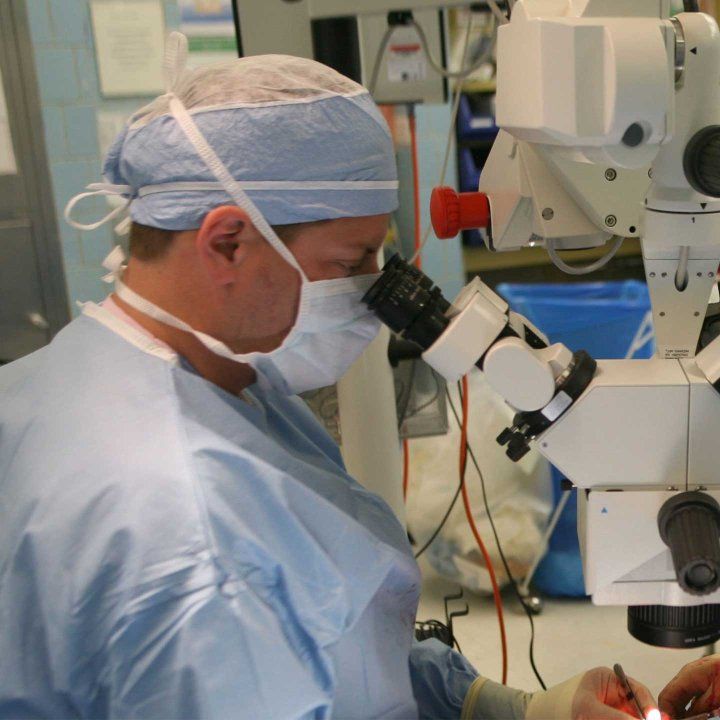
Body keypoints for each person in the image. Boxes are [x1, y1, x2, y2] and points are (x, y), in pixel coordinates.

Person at [0, 32, 660, 719]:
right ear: (226, 241)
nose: (374, 294)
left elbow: (342, 644)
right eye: (353, 261)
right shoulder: (193, 529)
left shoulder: (171, 385)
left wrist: (511, 709)